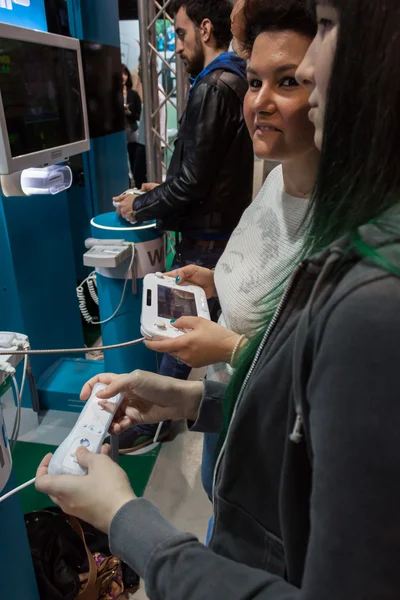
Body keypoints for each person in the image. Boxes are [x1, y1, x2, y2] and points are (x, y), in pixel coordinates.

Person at [36, 0, 400, 597]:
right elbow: (292, 409)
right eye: (258, 80)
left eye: (329, 26)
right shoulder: (293, 192)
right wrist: (186, 398)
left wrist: (127, 521)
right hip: (240, 486)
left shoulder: (370, 289)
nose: (306, 76)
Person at [146, 0, 319, 499]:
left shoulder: (344, 232)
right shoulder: (278, 177)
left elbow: (315, 396)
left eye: (287, 82)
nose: (259, 101)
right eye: (255, 80)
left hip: (269, 466)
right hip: (229, 416)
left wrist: (226, 349)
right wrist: (215, 278)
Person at [114, 0, 254, 451]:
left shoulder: (215, 85)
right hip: (215, 238)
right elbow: (204, 176)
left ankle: (151, 422)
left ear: (207, 28)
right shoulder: (228, 82)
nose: (175, 46)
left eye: (180, 33)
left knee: (174, 338)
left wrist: (141, 206)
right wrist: (162, 188)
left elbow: (193, 184)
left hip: (207, 243)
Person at [122, 64, 142, 179]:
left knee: (134, 157)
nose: (123, 76)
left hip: (132, 130)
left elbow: (139, 115)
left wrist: (129, 112)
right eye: (121, 73)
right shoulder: (111, 94)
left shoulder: (133, 94)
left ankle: (134, 180)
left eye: (125, 74)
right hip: (116, 132)